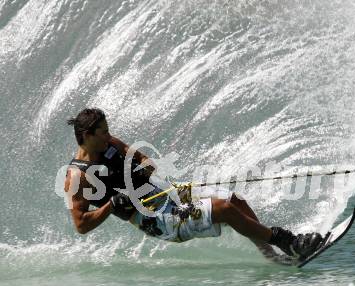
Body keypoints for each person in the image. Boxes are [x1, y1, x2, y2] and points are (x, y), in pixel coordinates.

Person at [64, 108, 325, 264]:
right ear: (87, 136)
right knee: (222, 209)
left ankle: (270, 255)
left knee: (235, 199)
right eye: (103, 133)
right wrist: (110, 206)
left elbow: (141, 157)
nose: (109, 136)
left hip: (169, 193)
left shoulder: (110, 143)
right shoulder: (78, 177)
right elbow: (81, 225)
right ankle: (288, 242)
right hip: (156, 219)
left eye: (108, 131)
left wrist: (147, 165)